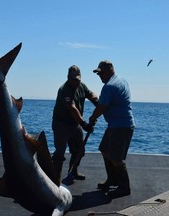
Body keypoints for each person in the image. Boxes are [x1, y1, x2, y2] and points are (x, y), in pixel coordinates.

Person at [89, 60, 135, 198]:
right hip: (116, 125)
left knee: (116, 158)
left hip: (121, 126)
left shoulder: (110, 86)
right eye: (98, 74)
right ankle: (112, 179)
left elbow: (102, 107)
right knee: (104, 149)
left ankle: (124, 187)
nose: (100, 76)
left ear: (110, 70)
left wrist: (92, 118)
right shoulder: (122, 80)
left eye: (101, 73)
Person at [52, 65, 98, 184]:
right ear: (68, 78)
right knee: (60, 153)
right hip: (61, 124)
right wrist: (84, 124)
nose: (76, 82)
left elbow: (91, 94)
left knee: (79, 151)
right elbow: (73, 109)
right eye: (74, 79)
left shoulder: (82, 86)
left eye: (78, 79)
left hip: (74, 124)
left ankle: (73, 172)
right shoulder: (64, 90)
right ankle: (55, 178)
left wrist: (98, 104)